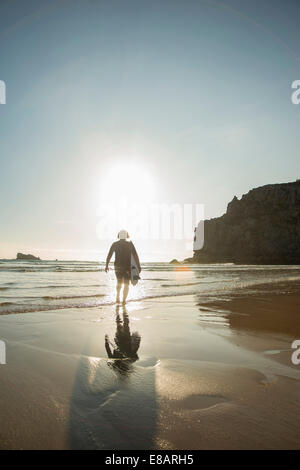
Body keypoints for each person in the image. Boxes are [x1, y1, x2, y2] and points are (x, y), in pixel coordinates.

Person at [105, 230, 141, 304]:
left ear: (119, 235)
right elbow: (135, 256)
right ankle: (124, 301)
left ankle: (118, 297)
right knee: (126, 284)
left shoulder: (115, 244)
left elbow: (109, 255)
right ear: (126, 235)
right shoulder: (130, 244)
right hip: (127, 267)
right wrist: (138, 266)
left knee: (119, 282)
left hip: (118, 266)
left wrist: (107, 265)